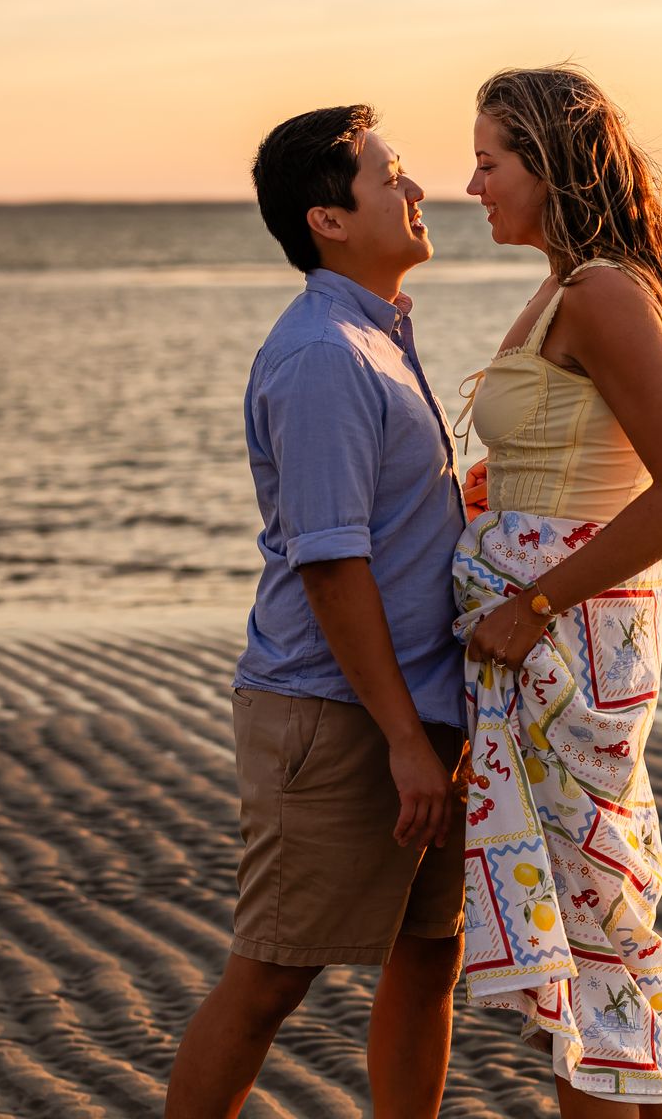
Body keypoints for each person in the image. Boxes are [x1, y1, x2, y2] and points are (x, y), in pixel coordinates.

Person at [164, 105, 469, 1119]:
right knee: (270, 975)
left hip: (413, 709)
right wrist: (402, 742)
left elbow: (382, 524)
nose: (416, 190)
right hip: (339, 715)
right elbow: (331, 563)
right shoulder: (325, 356)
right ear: (328, 219)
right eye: (389, 177)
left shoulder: (380, 334)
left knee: (431, 952)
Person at [453, 65, 662, 1115]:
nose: (472, 182)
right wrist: (516, 492)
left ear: (545, 164)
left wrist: (531, 596)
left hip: (566, 637)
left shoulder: (602, 291)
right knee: (600, 928)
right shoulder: (602, 282)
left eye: (490, 161)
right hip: (574, 630)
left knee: (596, 931)